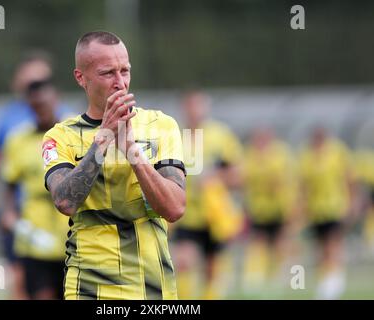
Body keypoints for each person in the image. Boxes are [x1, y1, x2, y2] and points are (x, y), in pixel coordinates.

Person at [42, 31, 186, 300]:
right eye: (108, 73)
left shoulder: (161, 126)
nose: (120, 83)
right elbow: (64, 202)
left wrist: (131, 150)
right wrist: (103, 140)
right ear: (81, 78)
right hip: (89, 288)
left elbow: (175, 208)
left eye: (125, 71)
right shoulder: (60, 136)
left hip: (153, 288)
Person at [0, 51, 73, 299]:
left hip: (69, 235)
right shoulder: (11, 125)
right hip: (29, 230)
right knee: (22, 285)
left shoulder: (72, 127)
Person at [172, 90, 244, 299]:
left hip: (215, 214)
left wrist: (216, 177)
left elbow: (237, 174)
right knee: (183, 261)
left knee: (212, 270)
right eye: (190, 106)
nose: (194, 111)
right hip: (187, 213)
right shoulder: (175, 135)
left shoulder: (220, 135)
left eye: (198, 105)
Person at [1, 79, 68, 299]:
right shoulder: (17, 139)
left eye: (45, 104)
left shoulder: (73, 133)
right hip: (35, 239)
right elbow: (9, 188)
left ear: (56, 99)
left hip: (72, 235)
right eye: (35, 106)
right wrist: (13, 219)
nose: (41, 110)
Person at [298, 126, 355, 299]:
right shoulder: (307, 156)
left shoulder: (338, 152)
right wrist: (302, 207)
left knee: (332, 243)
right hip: (316, 210)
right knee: (320, 247)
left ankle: (333, 282)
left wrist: (351, 203)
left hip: (335, 206)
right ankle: (327, 279)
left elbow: (348, 179)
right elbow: (304, 185)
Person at [240, 127, 297, 294]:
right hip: (258, 209)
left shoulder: (281, 153)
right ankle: (255, 278)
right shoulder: (250, 155)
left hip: (279, 208)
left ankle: (286, 277)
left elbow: (285, 180)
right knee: (259, 242)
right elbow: (245, 179)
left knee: (281, 244)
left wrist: (291, 206)